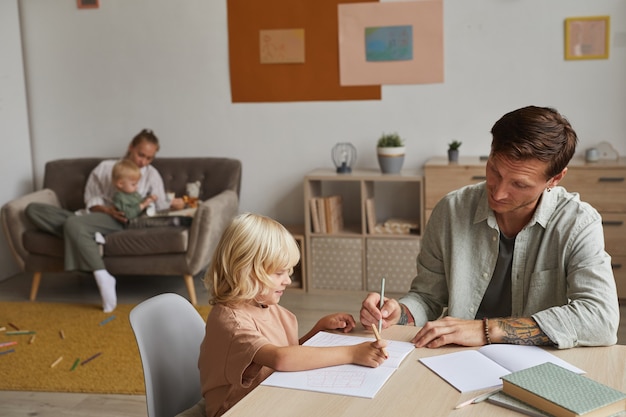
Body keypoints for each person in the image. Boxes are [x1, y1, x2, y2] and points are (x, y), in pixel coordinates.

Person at [360, 105, 620, 349]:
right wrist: (398, 312)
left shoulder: (578, 223)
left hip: (539, 364)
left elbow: (601, 320)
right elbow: (427, 298)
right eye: (494, 171)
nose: (499, 192)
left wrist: (486, 330)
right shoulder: (451, 210)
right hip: (456, 357)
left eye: (519, 184)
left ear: (555, 178)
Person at [198, 213, 388, 417]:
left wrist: (318, 330)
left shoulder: (266, 306)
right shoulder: (231, 322)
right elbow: (280, 358)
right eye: (279, 273)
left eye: (288, 272)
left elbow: (282, 354)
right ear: (244, 271)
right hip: (237, 410)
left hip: (273, 397)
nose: (287, 281)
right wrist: (352, 353)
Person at [25, 129, 185, 313]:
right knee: (33, 210)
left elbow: (157, 203)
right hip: (96, 215)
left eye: (149, 158)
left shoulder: (151, 175)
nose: (143, 161)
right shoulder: (105, 168)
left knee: (73, 224)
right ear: (131, 147)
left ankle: (102, 275)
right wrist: (106, 210)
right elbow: (91, 198)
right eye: (141, 154)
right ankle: (88, 237)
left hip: (120, 220)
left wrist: (173, 204)